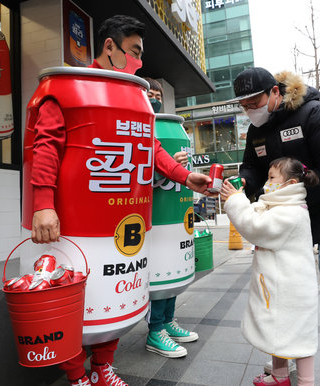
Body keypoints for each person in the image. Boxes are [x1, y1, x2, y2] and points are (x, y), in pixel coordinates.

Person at [29, 15, 213, 386]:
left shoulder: (133, 95)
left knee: (115, 297)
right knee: (73, 302)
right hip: (73, 224)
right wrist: (43, 204)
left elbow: (151, 147)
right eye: (133, 52)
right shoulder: (68, 87)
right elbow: (44, 147)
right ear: (108, 47)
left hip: (121, 221)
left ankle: (102, 369)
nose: (139, 62)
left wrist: (182, 175)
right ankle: (75, 375)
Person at [230, 67, 320, 386]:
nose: (250, 110)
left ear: (275, 92)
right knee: (281, 285)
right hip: (292, 214)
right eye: (243, 106)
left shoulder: (314, 114)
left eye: (254, 102)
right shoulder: (256, 131)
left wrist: (295, 199)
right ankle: (282, 357)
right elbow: (252, 169)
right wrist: (241, 184)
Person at [221, 157, 319, 386]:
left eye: (272, 177)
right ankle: (279, 376)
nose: (267, 182)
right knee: (279, 333)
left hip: (291, 291)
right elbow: (257, 213)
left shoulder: (291, 213)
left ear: (289, 183)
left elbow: (256, 226)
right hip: (283, 286)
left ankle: (306, 382)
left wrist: (235, 201)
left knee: (299, 341)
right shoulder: (282, 206)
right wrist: (237, 197)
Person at [141, 77, 199, 358]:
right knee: (158, 274)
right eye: (149, 93)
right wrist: (168, 168)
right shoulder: (139, 127)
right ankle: (155, 330)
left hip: (176, 217)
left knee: (174, 268)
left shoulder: (173, 128)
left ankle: (168, 322)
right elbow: (136, 176)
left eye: (157, 94)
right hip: (152, 219)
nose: (154, 98)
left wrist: (179, 168)